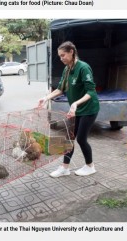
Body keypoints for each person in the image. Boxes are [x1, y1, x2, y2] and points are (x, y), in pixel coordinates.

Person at [38, 41, 100, 178]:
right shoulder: (67, 69)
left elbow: (91, 92)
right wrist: (46, 97)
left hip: (89, 109)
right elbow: (60, 89)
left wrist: (75, 103)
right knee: (69, 138)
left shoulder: (83, 68)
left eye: (63, 55)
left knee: (81, 139)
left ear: (71, 51)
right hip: (76, 110)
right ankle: (64, 168)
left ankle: (90, 166)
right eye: (59, 56)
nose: (61, 59)